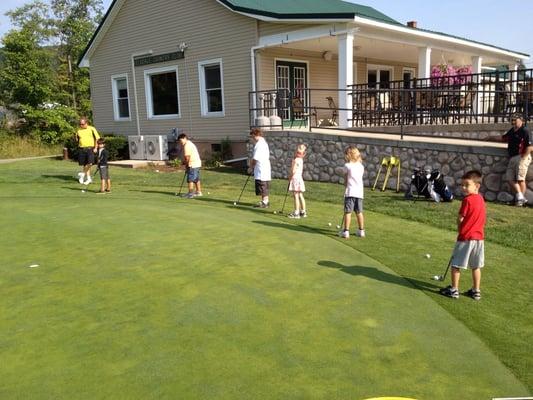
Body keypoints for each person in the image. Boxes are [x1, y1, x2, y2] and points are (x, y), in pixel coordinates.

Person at [440, 170, 486, 300]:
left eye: (467, 185)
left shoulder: (467, 200)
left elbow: (460, 218)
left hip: (466, 238)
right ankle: (476, 291)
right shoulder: (481, 199)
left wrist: (460, 229)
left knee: (456, 265)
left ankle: (454, 290)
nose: (464, 188)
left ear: (476, 186)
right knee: (476, 266)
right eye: (463, 185)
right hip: (479, 238)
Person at [502, 115, 532, 206]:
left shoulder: (525, 131)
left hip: (521, 157)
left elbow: (530, 147)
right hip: (512, 157)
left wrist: (523, 157)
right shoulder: (512, 130)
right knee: (509, 178)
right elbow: (503, 138)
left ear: (521, 120)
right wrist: (489, 138)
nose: (513, 121)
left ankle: (519, 202)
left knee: (520, 180)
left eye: (515, 119)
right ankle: (520, 197)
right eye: (512, 119)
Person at [339, 146, 365, 239]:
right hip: (359, 193)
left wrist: (345, 185)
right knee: (359, 212)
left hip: (350, 192)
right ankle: (361, 230)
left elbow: (345, 180)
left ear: (348, 155)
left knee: (348, 212)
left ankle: (346, 231)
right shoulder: (361, 166)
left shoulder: (347, 166)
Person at [249, 128, 271, 208]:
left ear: (255, 135)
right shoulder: (263, 142)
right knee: (263, 184)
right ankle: (265, 201)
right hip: (264, 167)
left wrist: (251, 167)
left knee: (262, 185)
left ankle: (265, 202)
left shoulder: (259, 144)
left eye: (252, 136)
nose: (252, 138)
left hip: (261, 167)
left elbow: (255, 158)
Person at [76, 117, 100, 185]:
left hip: (90, 148)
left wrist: (95, 147)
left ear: (86, 123)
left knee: (90, 163)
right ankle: (88, 178)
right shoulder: (78, 130)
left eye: (82, 124)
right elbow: (77, 139)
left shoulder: (92, 129)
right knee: (85, 164)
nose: (81, 125)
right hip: (81, 149)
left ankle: (82, 175)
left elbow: (97, 139)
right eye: (80, 124)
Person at [178, 133, 202, 198]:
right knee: (196, 179)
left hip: (192, 164)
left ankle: (190, 194)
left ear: (185, 138)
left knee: (190, 179)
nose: (180, 142)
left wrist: (186, 166)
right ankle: (198, 192)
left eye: (181, 141)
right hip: (197, 163)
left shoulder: (187, 145)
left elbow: (187, 158)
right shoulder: (190, 143)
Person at [287, 144, 307, 218]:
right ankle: (303, 211)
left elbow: (293, 171)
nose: (298, 154)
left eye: (300, 153)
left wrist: (289, 177)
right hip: (299, 179)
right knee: (300, 195)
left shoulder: (295, 160)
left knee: (296, 195)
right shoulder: (301, 160)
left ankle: (296, 212)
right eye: (297, 152)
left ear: (303, 154)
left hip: (295, 179)